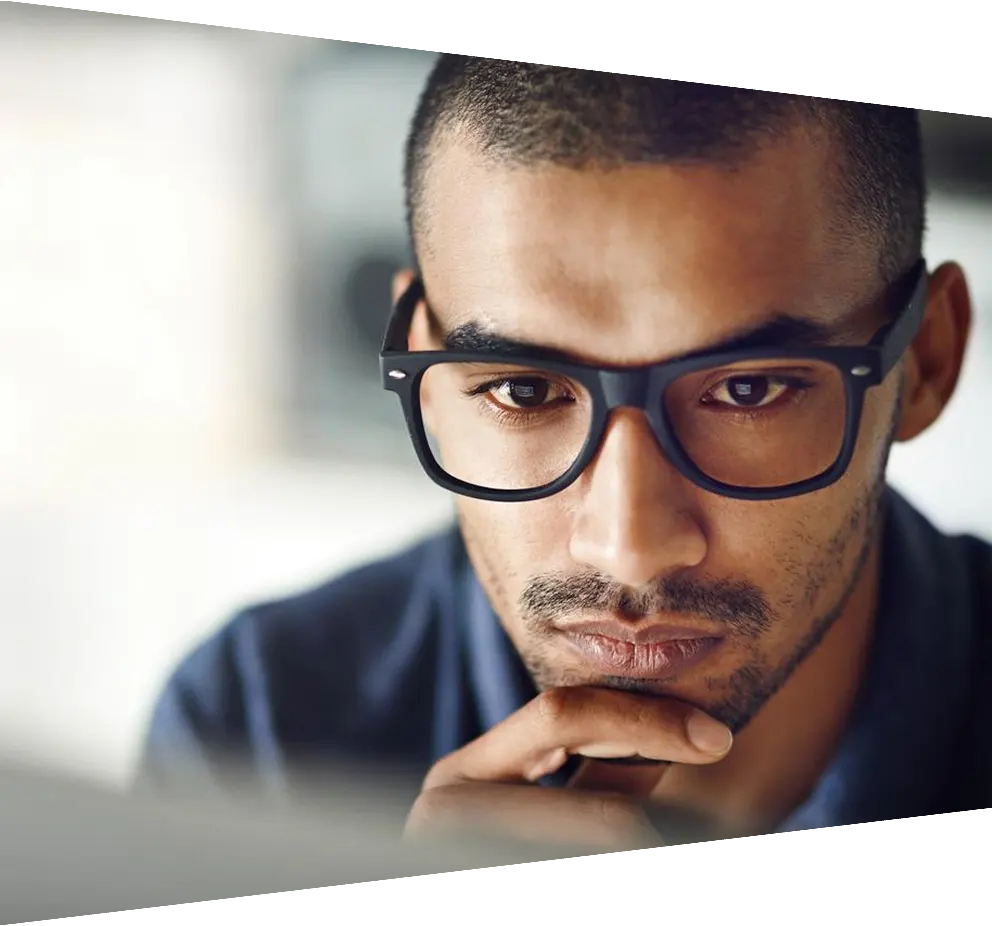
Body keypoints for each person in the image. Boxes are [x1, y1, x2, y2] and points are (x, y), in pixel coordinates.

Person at [141, 53, 992, 850]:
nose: (627, 545)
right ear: (430, 381)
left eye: (746, 390)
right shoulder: (258, 740)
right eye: (522, 390)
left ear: (926, 361)